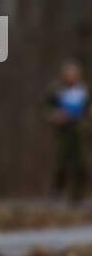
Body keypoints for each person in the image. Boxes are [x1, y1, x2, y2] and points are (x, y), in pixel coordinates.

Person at [43, 61, 90, 204]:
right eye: (69, 74)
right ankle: (56, 193)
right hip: (63, 132)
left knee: (82, 164)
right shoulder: (56, 89)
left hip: (81, 131)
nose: (71, 77)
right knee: (61, 164)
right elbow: (45, 108)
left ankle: (78, 197)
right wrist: (54, 115)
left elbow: (88, 107)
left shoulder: (84, 89)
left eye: (74, 74)